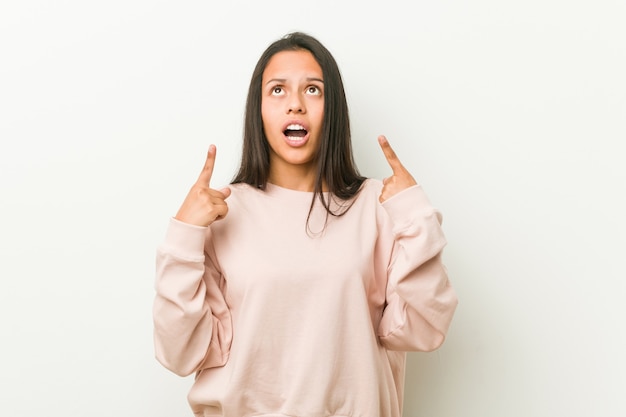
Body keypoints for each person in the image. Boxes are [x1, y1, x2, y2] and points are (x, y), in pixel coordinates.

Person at [153, 31, 458, 417]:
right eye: (277, 90)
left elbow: (424, 328)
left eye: (313, 90)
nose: (295, 105)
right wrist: (183, 235)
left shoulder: (378, 207)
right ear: (258, 109)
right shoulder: (221, 214)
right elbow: (180, 353)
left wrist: (415, 215)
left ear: (333, 108)